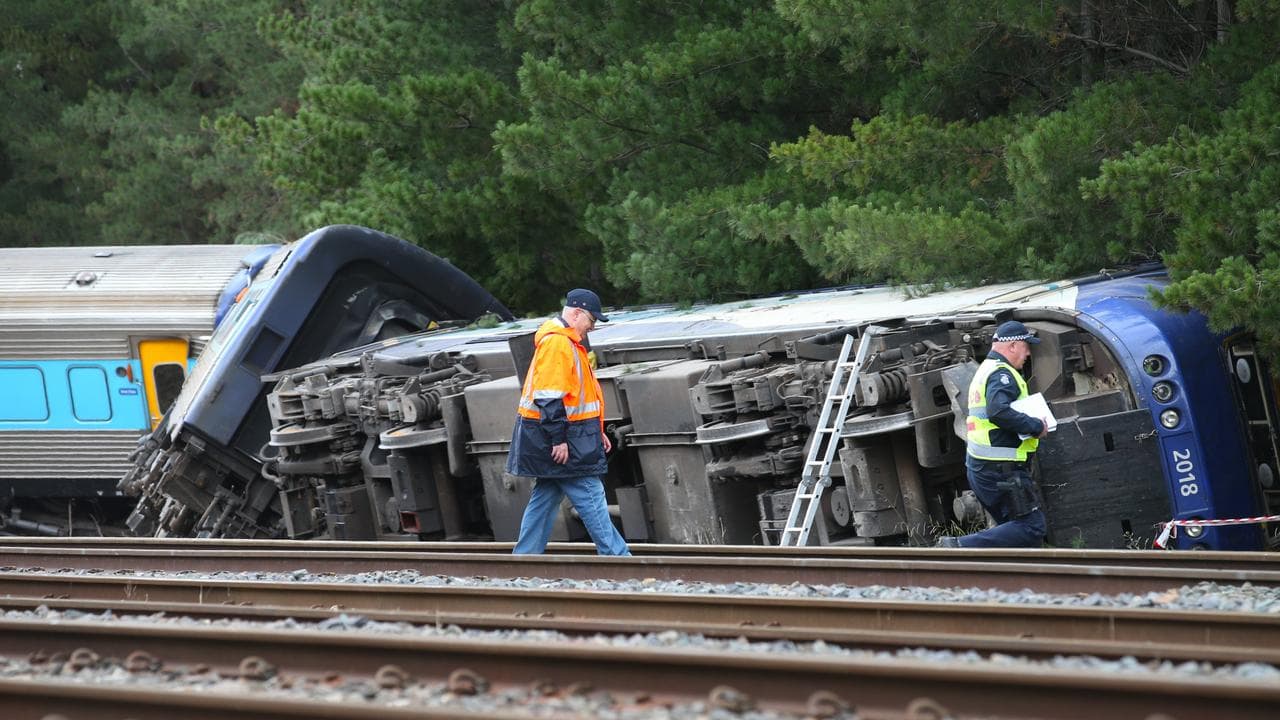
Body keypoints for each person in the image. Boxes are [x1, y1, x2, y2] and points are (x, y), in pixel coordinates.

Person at [507, 288, 631, 556]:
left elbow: (577, 398)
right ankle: (619, 560)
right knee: (590, 493)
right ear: (576, 313)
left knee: (546, 497)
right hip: (561, 438)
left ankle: (524, 559)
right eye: (591, 320)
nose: (592, 326)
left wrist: (596, 431)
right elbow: (549, 396)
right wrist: (558, 439)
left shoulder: (567, 342)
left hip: (567, 434)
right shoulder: (558, 344)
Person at [937, 320, 1049, 548]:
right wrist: (1035, 426)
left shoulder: (986, 370)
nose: (1028, 353)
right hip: (1000, 470)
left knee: (1020, 540)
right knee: (1030, 527)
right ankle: (958, 547)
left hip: (985, 468)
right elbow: (998, 411)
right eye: (1026, 346)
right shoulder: (1002, 374)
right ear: (1013, 346)